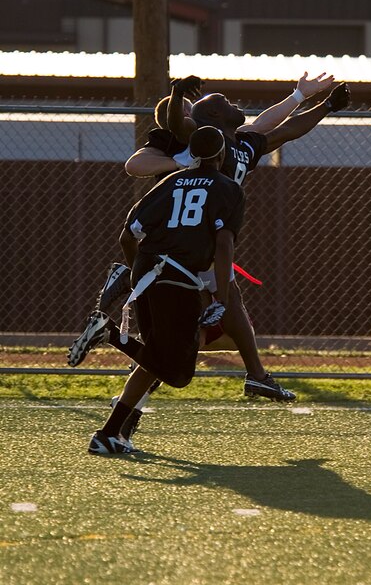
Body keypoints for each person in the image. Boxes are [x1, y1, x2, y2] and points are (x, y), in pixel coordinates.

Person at [90, 74, 348, 437]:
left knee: (181, 345)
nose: (236, 105)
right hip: (191, 250)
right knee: (221, 313)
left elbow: (281, 130)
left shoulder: (236, 144)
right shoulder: (198, 148)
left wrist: (319, 103)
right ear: (210, 124)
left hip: (182, 250)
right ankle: (256, 375)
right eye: (226, 103)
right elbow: (174, 130)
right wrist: (178, 96)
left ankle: (121, 422)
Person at [70, 126, 245, 454]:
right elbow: (223, 245)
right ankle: (109, 334)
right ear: (222, 156)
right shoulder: (227, 188)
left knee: (154, 359)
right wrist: (222, 295)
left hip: (147, 276)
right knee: (177, 373)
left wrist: (140, 278)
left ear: (193, 155)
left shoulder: (167, 183)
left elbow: (127, 236)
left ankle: (108, 434)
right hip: (179, 282)